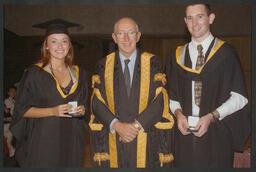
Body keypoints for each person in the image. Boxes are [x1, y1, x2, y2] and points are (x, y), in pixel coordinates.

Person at [165, 4, 250, 167]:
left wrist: (212, 116)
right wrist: (178, 114)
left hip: (217, 134)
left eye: (200, 16)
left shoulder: (226, 55)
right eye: (190, 18)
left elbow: (239, 97)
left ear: (211, 18)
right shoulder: (176, 57)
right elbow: (170, 95)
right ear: (185, 21)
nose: (194, 23)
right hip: (184, 137)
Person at [89, 17, 174, 168]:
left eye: (131, 33)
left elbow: (160, 100)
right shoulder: (103, 65)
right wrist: (117, 125)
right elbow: (96, 102)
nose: (126, 38)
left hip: (144, 138)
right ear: (114, 37)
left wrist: (135, 127)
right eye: (121, 33)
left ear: (138, 36)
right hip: (114, 138)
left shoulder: (153, 63)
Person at [10, 19, 88, 167]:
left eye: (64, 41)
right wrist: (53, 111)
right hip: (43, 142)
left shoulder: (80, 74)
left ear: (69, 45)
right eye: (54, 41)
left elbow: (84, 105)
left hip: (71, 140)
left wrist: (83, 109)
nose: (60, 46)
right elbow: (21, 110)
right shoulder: (34, 73)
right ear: (46, 46)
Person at [4, 87, 16, 158]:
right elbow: (9, 112)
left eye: (14, 91)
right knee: (9, 137)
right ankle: (12, 154)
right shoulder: (6, 101)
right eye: (11, 91)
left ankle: (13, 153)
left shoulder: (14, 101)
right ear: (8, 93)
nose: (13, 92)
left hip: (12, 123)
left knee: (11, 138)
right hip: (6, 124)